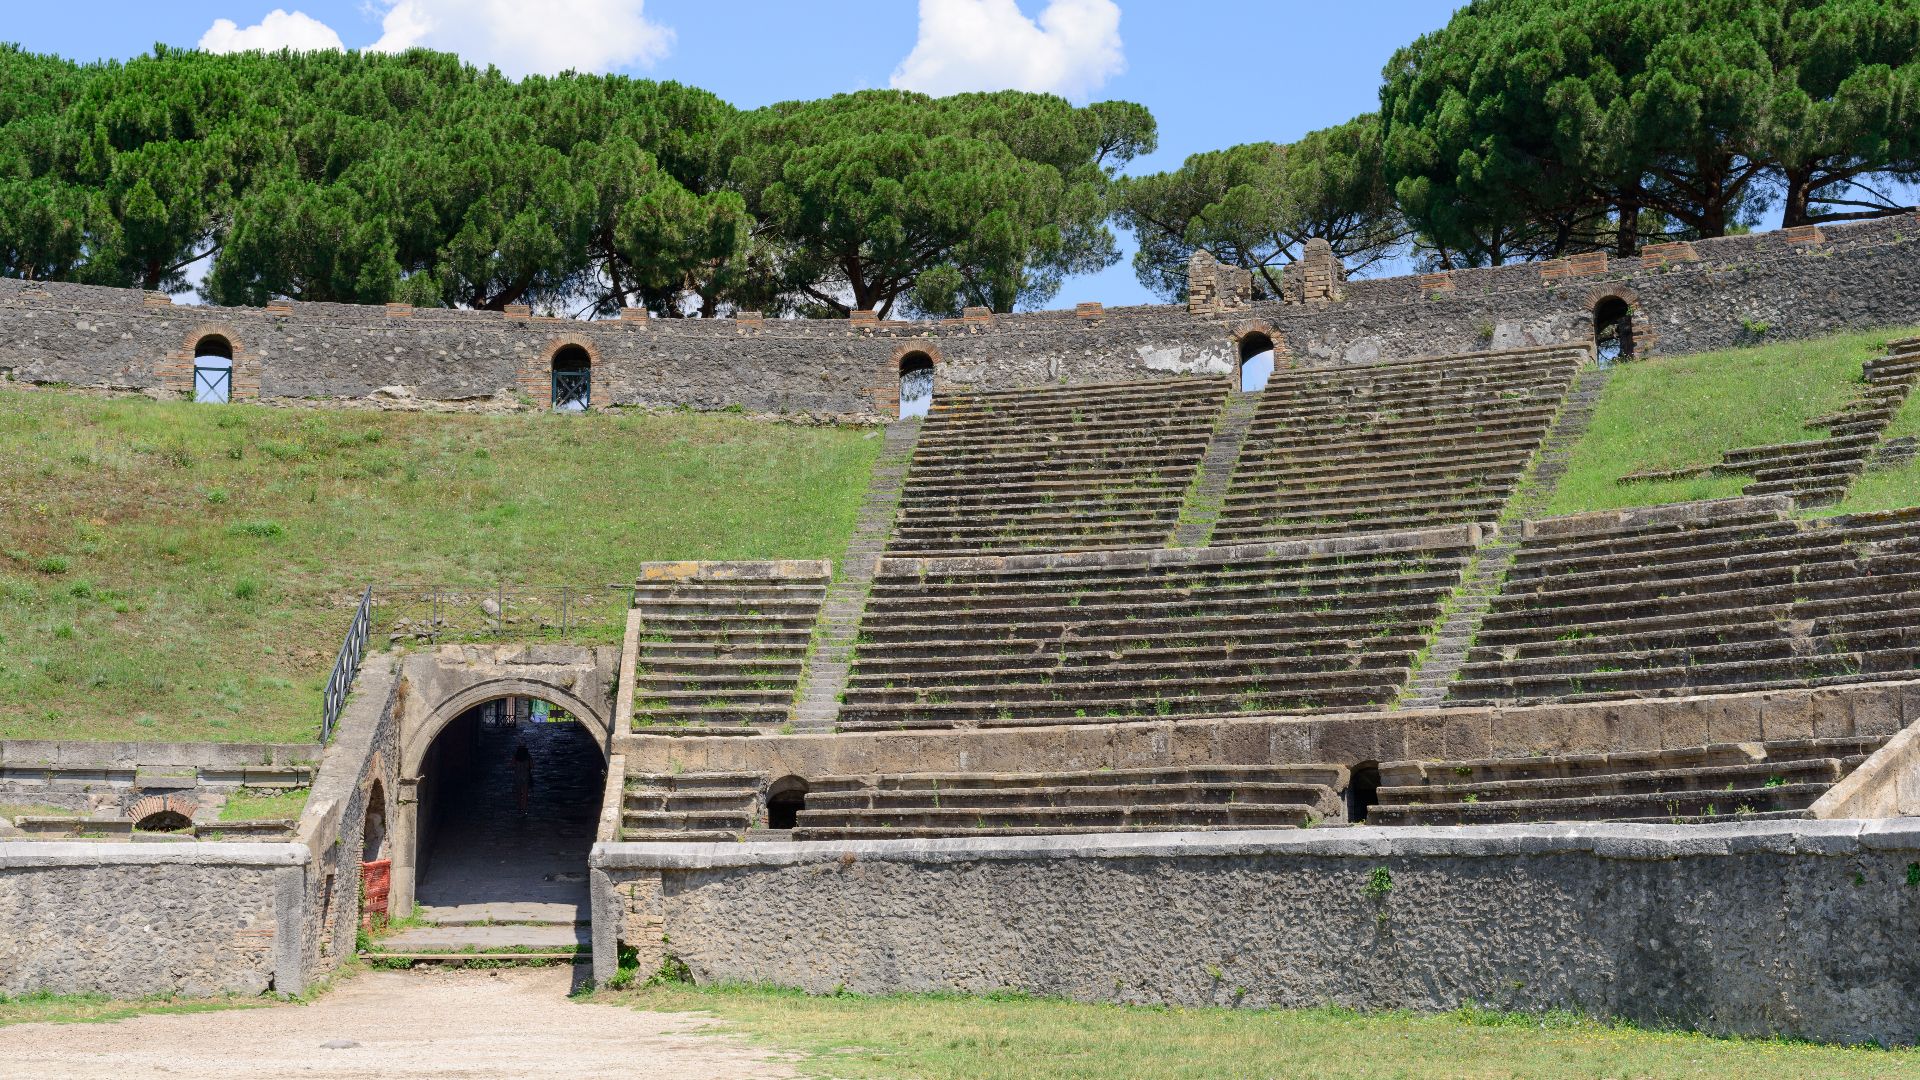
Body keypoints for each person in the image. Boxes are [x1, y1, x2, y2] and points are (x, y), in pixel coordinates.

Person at [511, 743, 534, 812]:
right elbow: (532, 766)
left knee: (518, 793)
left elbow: (511, 765)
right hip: (526, 776)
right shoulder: (528, 756)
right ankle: (524, 808)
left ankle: (520, 807)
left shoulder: (515, 756)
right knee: (525, 793)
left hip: (517, 776)